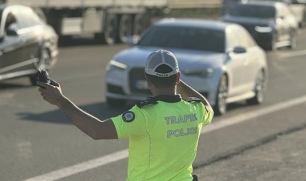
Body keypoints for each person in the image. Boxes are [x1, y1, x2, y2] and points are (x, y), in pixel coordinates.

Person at [37, 49, 214, 181]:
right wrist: (174, 80)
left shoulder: (145, 114)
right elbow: (208, 106)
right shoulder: (196, 110)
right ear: (177, 77)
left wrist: (59, 100)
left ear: (147, 79)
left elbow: (97, 130)